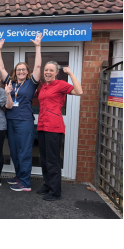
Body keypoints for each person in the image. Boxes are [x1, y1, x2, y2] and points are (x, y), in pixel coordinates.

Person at [0, 33, 43, 192]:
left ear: (27, 71)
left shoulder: (31, 83)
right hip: (11, 120)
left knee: (24, 152)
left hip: (24, 122)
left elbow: (38, 67)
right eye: (18, 69)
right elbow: (1, 68)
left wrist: (37, 46)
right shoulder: (10, 83)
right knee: (15, 151)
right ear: (15, 72)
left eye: (24, 69)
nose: (21, 71)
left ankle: (25, 182)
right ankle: (19, 176)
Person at [36, 61, 83, 201]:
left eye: (51, 70)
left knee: (53, 160)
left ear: (56, 72)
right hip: (42, 126)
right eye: (46, 70)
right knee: (44, 159)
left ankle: (55, 191)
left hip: (54, 127)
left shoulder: (61, 84)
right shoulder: (44, 86)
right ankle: (47, 185)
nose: (48, 72)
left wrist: (70, 73)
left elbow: (79, 91)